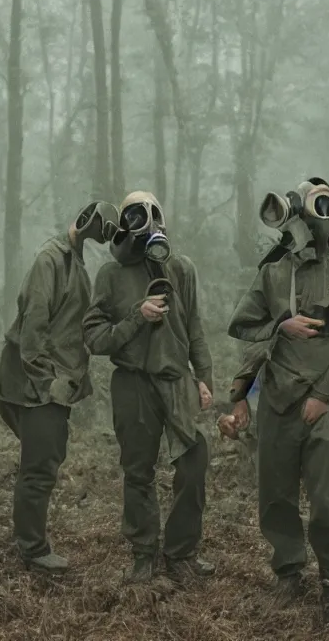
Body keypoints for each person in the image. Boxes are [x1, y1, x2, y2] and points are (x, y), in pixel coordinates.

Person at [226, 178, 329, 624]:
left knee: (325, 501)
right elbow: (243, 327)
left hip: (323, 403)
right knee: (275, 496)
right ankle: (288, 571)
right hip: (277, 400)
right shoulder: (273, 270)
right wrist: (241, 392)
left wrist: (325, 393)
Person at [82, 191, 215, 585]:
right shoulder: (110, 274)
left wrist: (204, 379)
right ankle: (144, 555)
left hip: (176, 381)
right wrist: (136, 317)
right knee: (138, 472)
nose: (146, 220)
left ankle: (181, 553)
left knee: (193, 464)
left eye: (151, 211)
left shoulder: (182, 268)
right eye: (135, 214)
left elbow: (195, 329)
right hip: (132, 383)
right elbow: (94, 337)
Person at [0, 200, 118, 573]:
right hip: (34, 385)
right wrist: (46, 383)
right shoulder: (51, 260)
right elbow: (33, 327)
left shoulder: (73, 263)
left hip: (48, 383)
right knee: (38, 467)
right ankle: (32, 549)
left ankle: (30, 540)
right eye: (100, 229)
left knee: (44, 461)